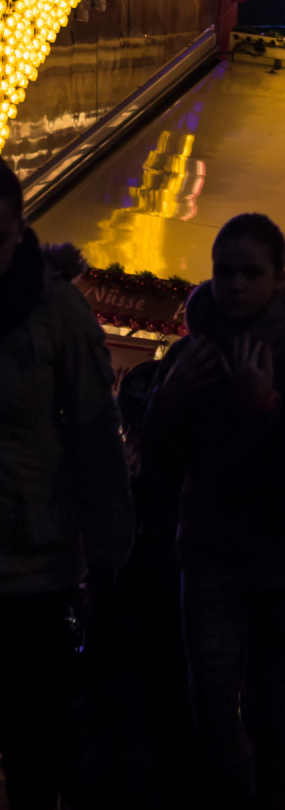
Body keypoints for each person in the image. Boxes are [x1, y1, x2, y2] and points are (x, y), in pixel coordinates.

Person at [141, 212, 285, 810]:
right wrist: (170, 399)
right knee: (209, 694)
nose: (234, 285)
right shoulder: (196, 351)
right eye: (224, 272)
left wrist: (263, 405)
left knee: (271, 703)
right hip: (209, 549)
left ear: (278, 278)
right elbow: (160, 458)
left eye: (250, 274)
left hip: (283, 553)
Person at [0, 157, 133, 810]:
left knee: (34, 742)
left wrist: (106, 558)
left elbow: (93, 432)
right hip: (35, 546)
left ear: (17, 226)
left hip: (35, 565)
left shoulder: (57, 314)